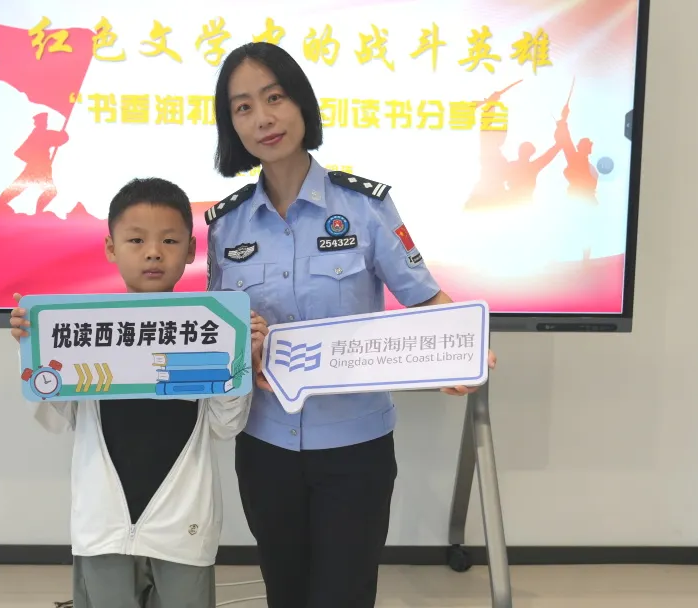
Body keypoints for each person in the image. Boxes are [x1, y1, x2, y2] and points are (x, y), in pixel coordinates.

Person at [205, 42, 497, 608]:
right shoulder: (226, 226)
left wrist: (465, 350)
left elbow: (424, 296)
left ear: (301, 103)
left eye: (274, 97)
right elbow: (220, 332)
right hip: (264, 444)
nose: (262, 118)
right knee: (285, 592)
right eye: (243, 107)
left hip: (355, 446)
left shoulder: (365, 207)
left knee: (345, 593)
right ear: (231, 124)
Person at [8, 177, 269, 608]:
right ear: (111, 248)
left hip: (183, 525)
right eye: (136, 240)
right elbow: (56, 417)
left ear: (191, 250)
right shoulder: (83, 330)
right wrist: (32, 348)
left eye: (169, 240)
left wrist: (243, 356)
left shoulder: (210, 327)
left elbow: (225, 425)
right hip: (103, 527)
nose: (153, 252)